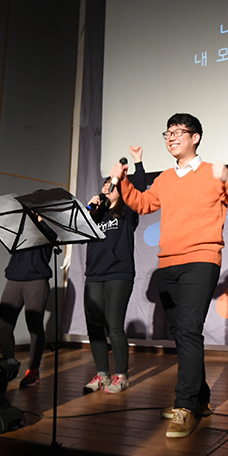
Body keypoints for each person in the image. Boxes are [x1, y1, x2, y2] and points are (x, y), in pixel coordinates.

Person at [112, 113, 228, 438]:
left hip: (201, 261)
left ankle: (184, 406)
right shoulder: (165, 178)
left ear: (195, 137)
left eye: (178, 132)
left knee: (188, 331)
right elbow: (143, 204)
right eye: (168, 133)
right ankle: (200, 399)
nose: (172, 137)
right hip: (168, 264)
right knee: (182, 334)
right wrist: (122, 181)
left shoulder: (213, 173)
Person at [83, 146, 146, 394]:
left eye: (112, 185)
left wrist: (137, 162)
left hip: (119, 273)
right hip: (94, 275)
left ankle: (122, 375)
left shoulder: (127, 213)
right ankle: (102, 374)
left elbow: (139, 189)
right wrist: (90, 209)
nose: (108, 188)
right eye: (105, 185)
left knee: (114, 325)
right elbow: (79, 229)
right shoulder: (94, 215)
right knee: (94, 326)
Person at [0, 243, 53, 388]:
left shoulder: (49, 229)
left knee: (34, 326)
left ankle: (33, 370)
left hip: (37, 278)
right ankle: (9, 365)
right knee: (4, 326)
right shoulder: (20, 229)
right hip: (14, 277)